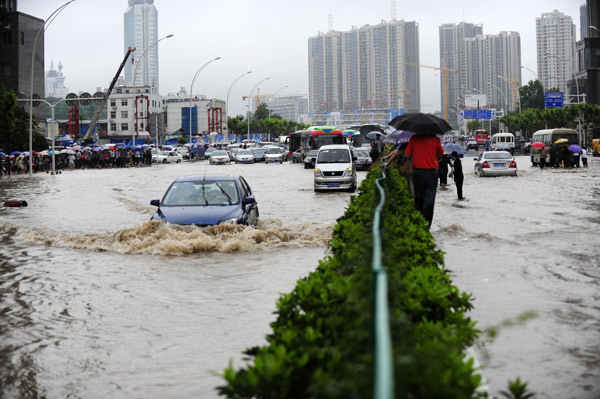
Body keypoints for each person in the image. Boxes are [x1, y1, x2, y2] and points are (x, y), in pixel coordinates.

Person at [403, 134, 444, 230]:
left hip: (417, 173)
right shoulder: (435, 139)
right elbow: (440, 153)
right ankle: (427, 226)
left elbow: (407, 155)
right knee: (429, 200)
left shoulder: (413, 138)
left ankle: (419, 223)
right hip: (431, 173)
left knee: (418, 198)